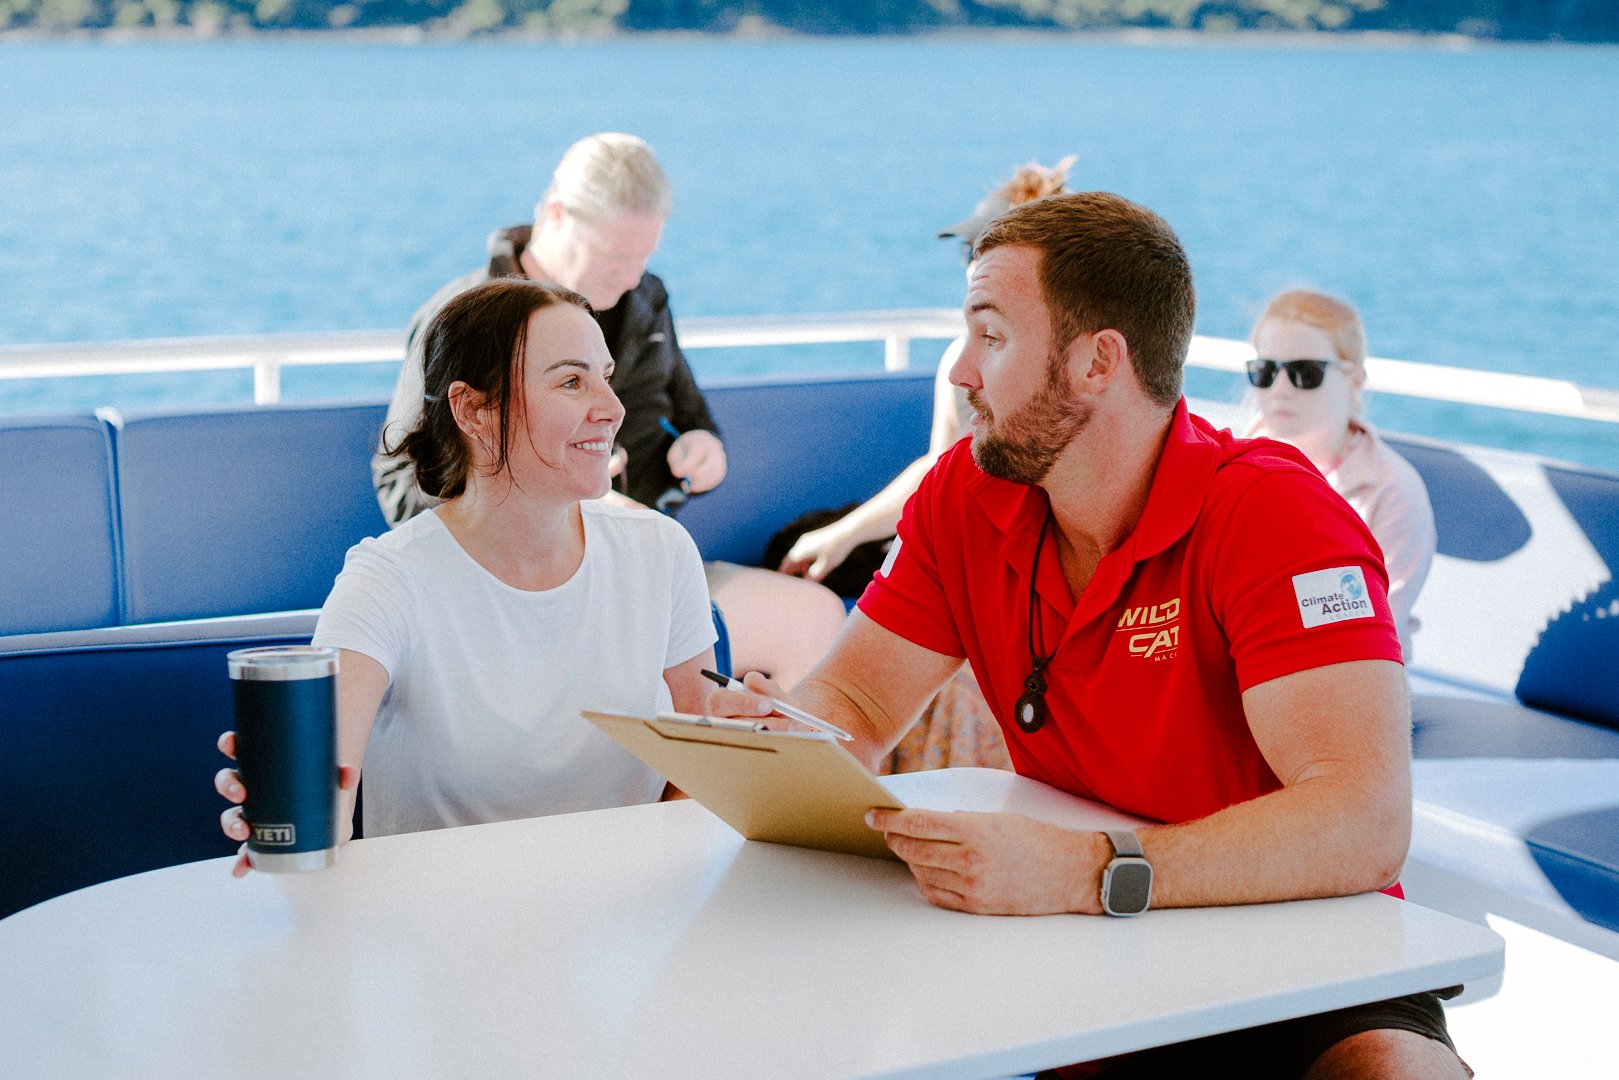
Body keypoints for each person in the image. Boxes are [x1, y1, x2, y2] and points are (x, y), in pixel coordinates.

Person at [717, 193, 1469, 1078]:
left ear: (1097, 363)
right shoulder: (964, 495)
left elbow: (1365, 821)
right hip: (1088, 953)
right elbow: (858, 697)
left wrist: (1085, 873)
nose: (959, 372)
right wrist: (785, 736)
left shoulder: (1277, 515)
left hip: (1300, 942)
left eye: (990, 336)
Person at [216, 278, 717, 862]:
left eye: (605, 377)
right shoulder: (388, 581)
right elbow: (327, 783)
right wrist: (289, 806)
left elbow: (704, 764)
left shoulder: (661, 553)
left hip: (628, 927)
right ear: (474, 409)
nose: (612, 408)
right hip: (437, 938)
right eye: (573, 382)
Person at [373, 131, 843, 683]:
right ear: (555, 214)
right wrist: (564, 504)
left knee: (814, 617)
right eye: (614, 255)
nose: (630, 276)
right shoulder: (462, 322)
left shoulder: (644, 299)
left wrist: (702, 449)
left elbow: (691, 418)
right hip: (508, 583)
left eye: (644, 257)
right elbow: (404, 488)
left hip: (642, 564)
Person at [779, 156, 1075, 775]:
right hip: (969, 567)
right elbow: (943, 467)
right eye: (969, 251)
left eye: (981, 249)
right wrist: (845, 533)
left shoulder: (1057, 377)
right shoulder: (960, 361)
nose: (970, 265)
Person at [1245, 289, 1436, 660]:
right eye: (1265, 371)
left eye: (1305, 373)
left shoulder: (1392, 490)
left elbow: (1376, 636)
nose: (1280, 388)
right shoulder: (1224, 465)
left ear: (1355, 380)